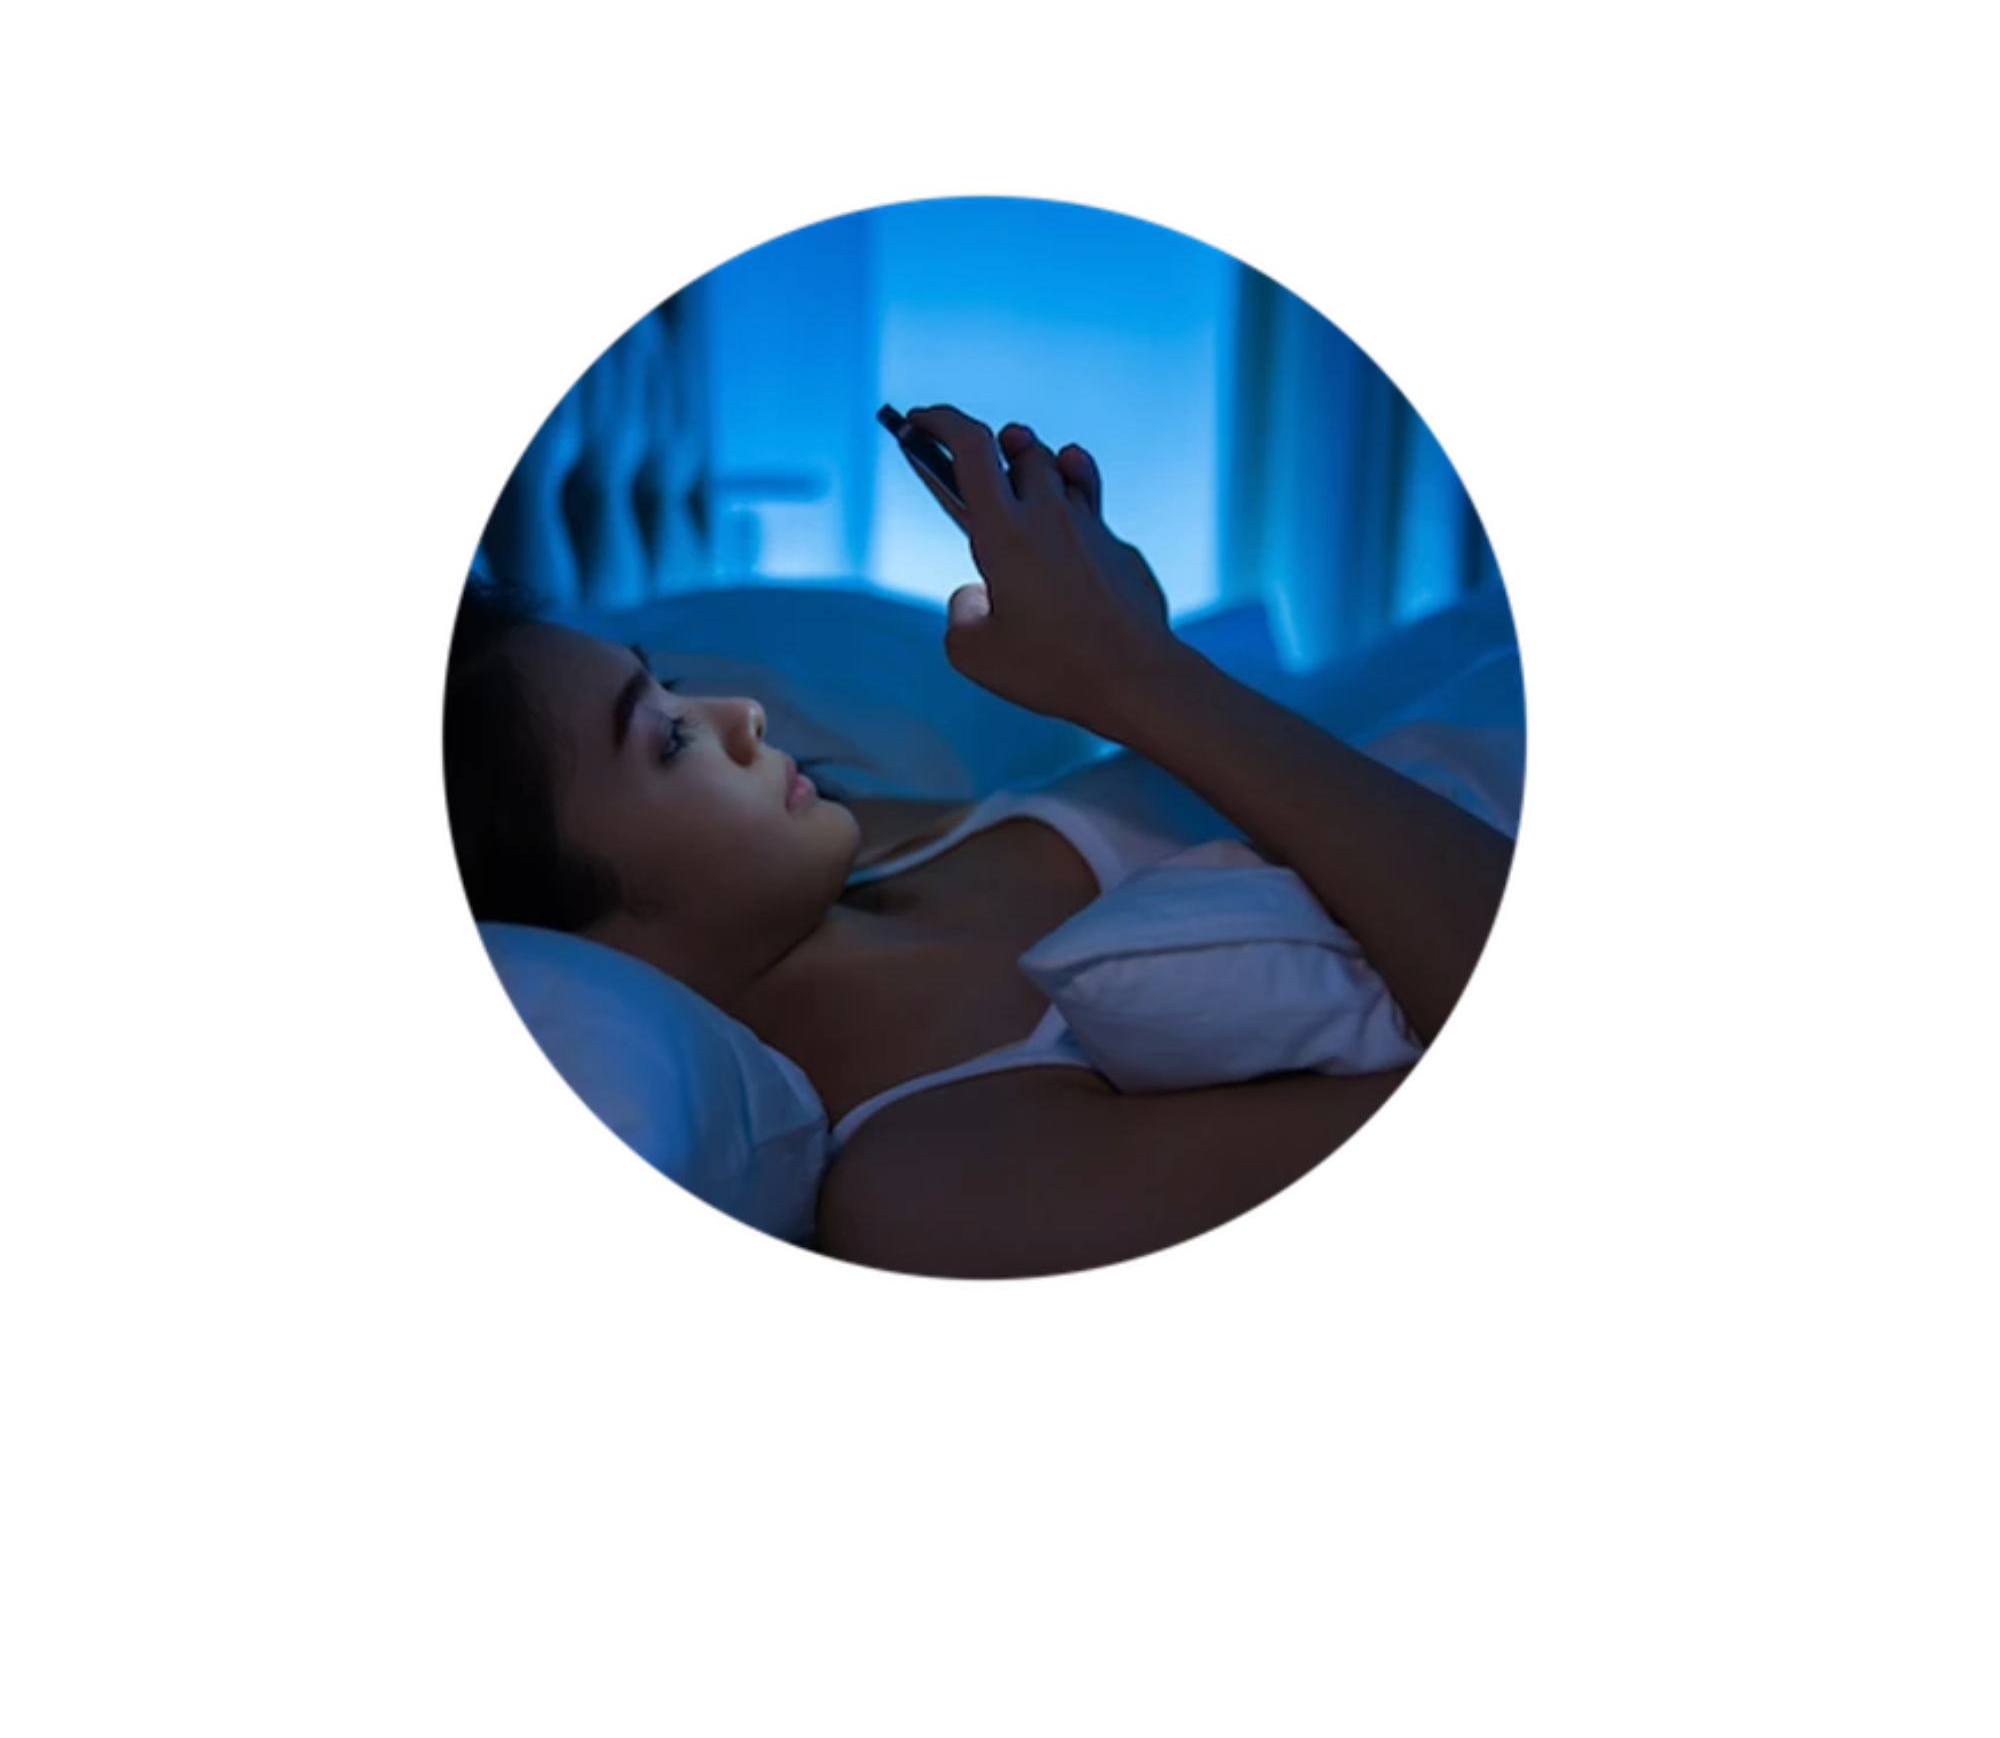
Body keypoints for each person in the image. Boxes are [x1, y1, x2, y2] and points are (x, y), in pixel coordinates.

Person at [452, 408, 1516, 1276]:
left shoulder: (869, 840)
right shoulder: (924, 1190)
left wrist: (1131, 631)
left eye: (675, 683)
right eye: (669, 736)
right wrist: (1145, 680)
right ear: (582, 943)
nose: (744, 712)